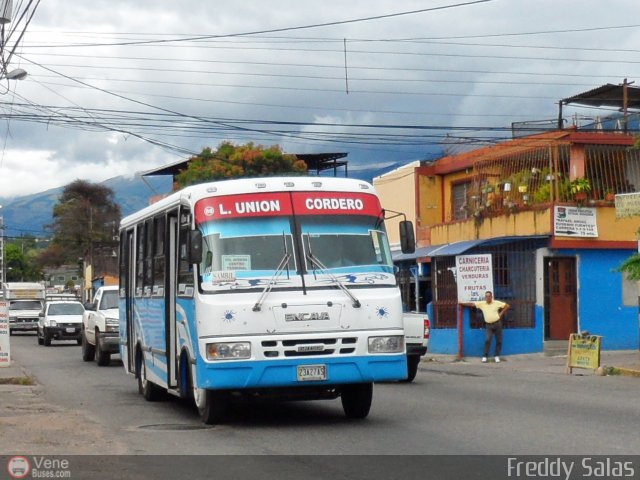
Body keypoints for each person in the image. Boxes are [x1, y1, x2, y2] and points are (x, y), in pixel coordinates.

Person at [460, 291, 510, 363]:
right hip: (488, 325)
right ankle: (485, 356)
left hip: (497, 324)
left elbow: (507, 306)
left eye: (489, 296)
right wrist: (462, 303)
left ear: (491, 297)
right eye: (486, 296)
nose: (487, 297)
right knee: (488, 340)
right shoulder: (482, 304)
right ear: (485, 297)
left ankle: (496, 356)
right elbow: (472, 304)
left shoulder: (496, 303)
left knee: (499, 340)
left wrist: (501, 313)